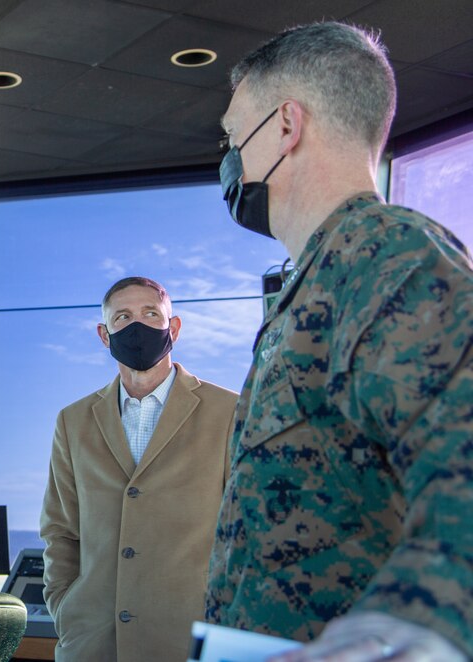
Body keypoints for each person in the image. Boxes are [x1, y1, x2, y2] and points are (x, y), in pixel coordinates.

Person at [207, 22, 473, 661]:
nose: (229, 156)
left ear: (285, 126)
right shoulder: (320, 276)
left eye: (233, 134)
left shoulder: (389, 256)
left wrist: (400, 639)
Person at [40, 276, 238, 662]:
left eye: (151, 314)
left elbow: (246, 532)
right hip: (93, 642)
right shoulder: (73, 420)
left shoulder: (228, 411)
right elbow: (61, 530)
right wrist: (64, 607)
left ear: (173, 327)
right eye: (123, 317)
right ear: (104, 334)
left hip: (189, 641)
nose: (138, 326)